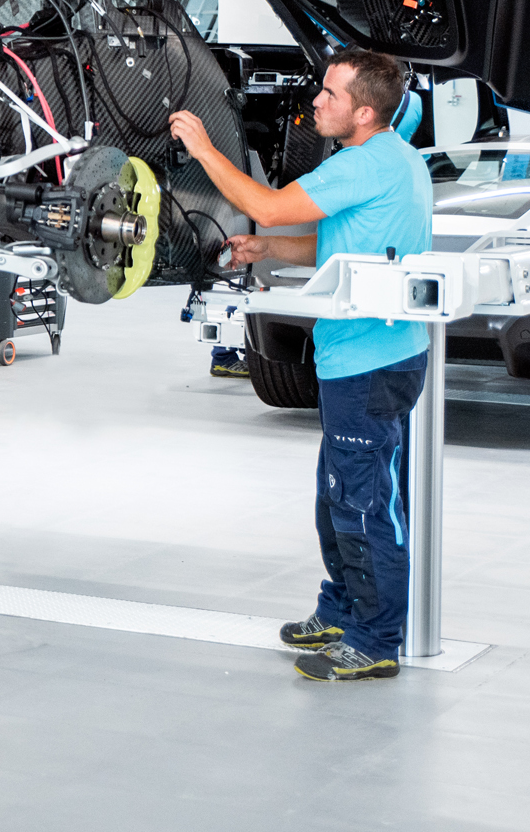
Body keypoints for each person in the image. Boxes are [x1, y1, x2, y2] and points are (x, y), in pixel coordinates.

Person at [169, 50, 433, 683]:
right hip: (378, 356)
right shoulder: (396, 159)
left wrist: (204, 150)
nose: (316, 100)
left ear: (363, 113)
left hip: (367, 363)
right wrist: (267, 248)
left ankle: (375, 640)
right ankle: (341, 611)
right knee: (339, 497)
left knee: (360, 505)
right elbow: (339, 243)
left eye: (330, 94)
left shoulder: (360, 163)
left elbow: (267, 202)